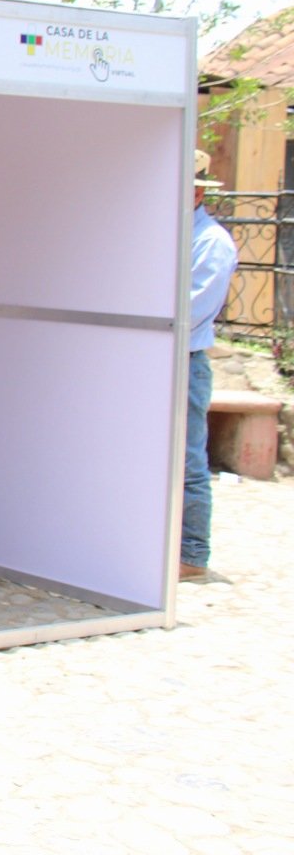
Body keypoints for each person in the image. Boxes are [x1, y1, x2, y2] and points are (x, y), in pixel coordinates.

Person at [183, 150, 239, 581]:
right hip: (153, 358)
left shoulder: (210, 242)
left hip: (182, 362)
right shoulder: (174, 234)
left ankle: (191, 555)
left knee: (187, 460)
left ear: (198, 190)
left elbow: (193, 308)